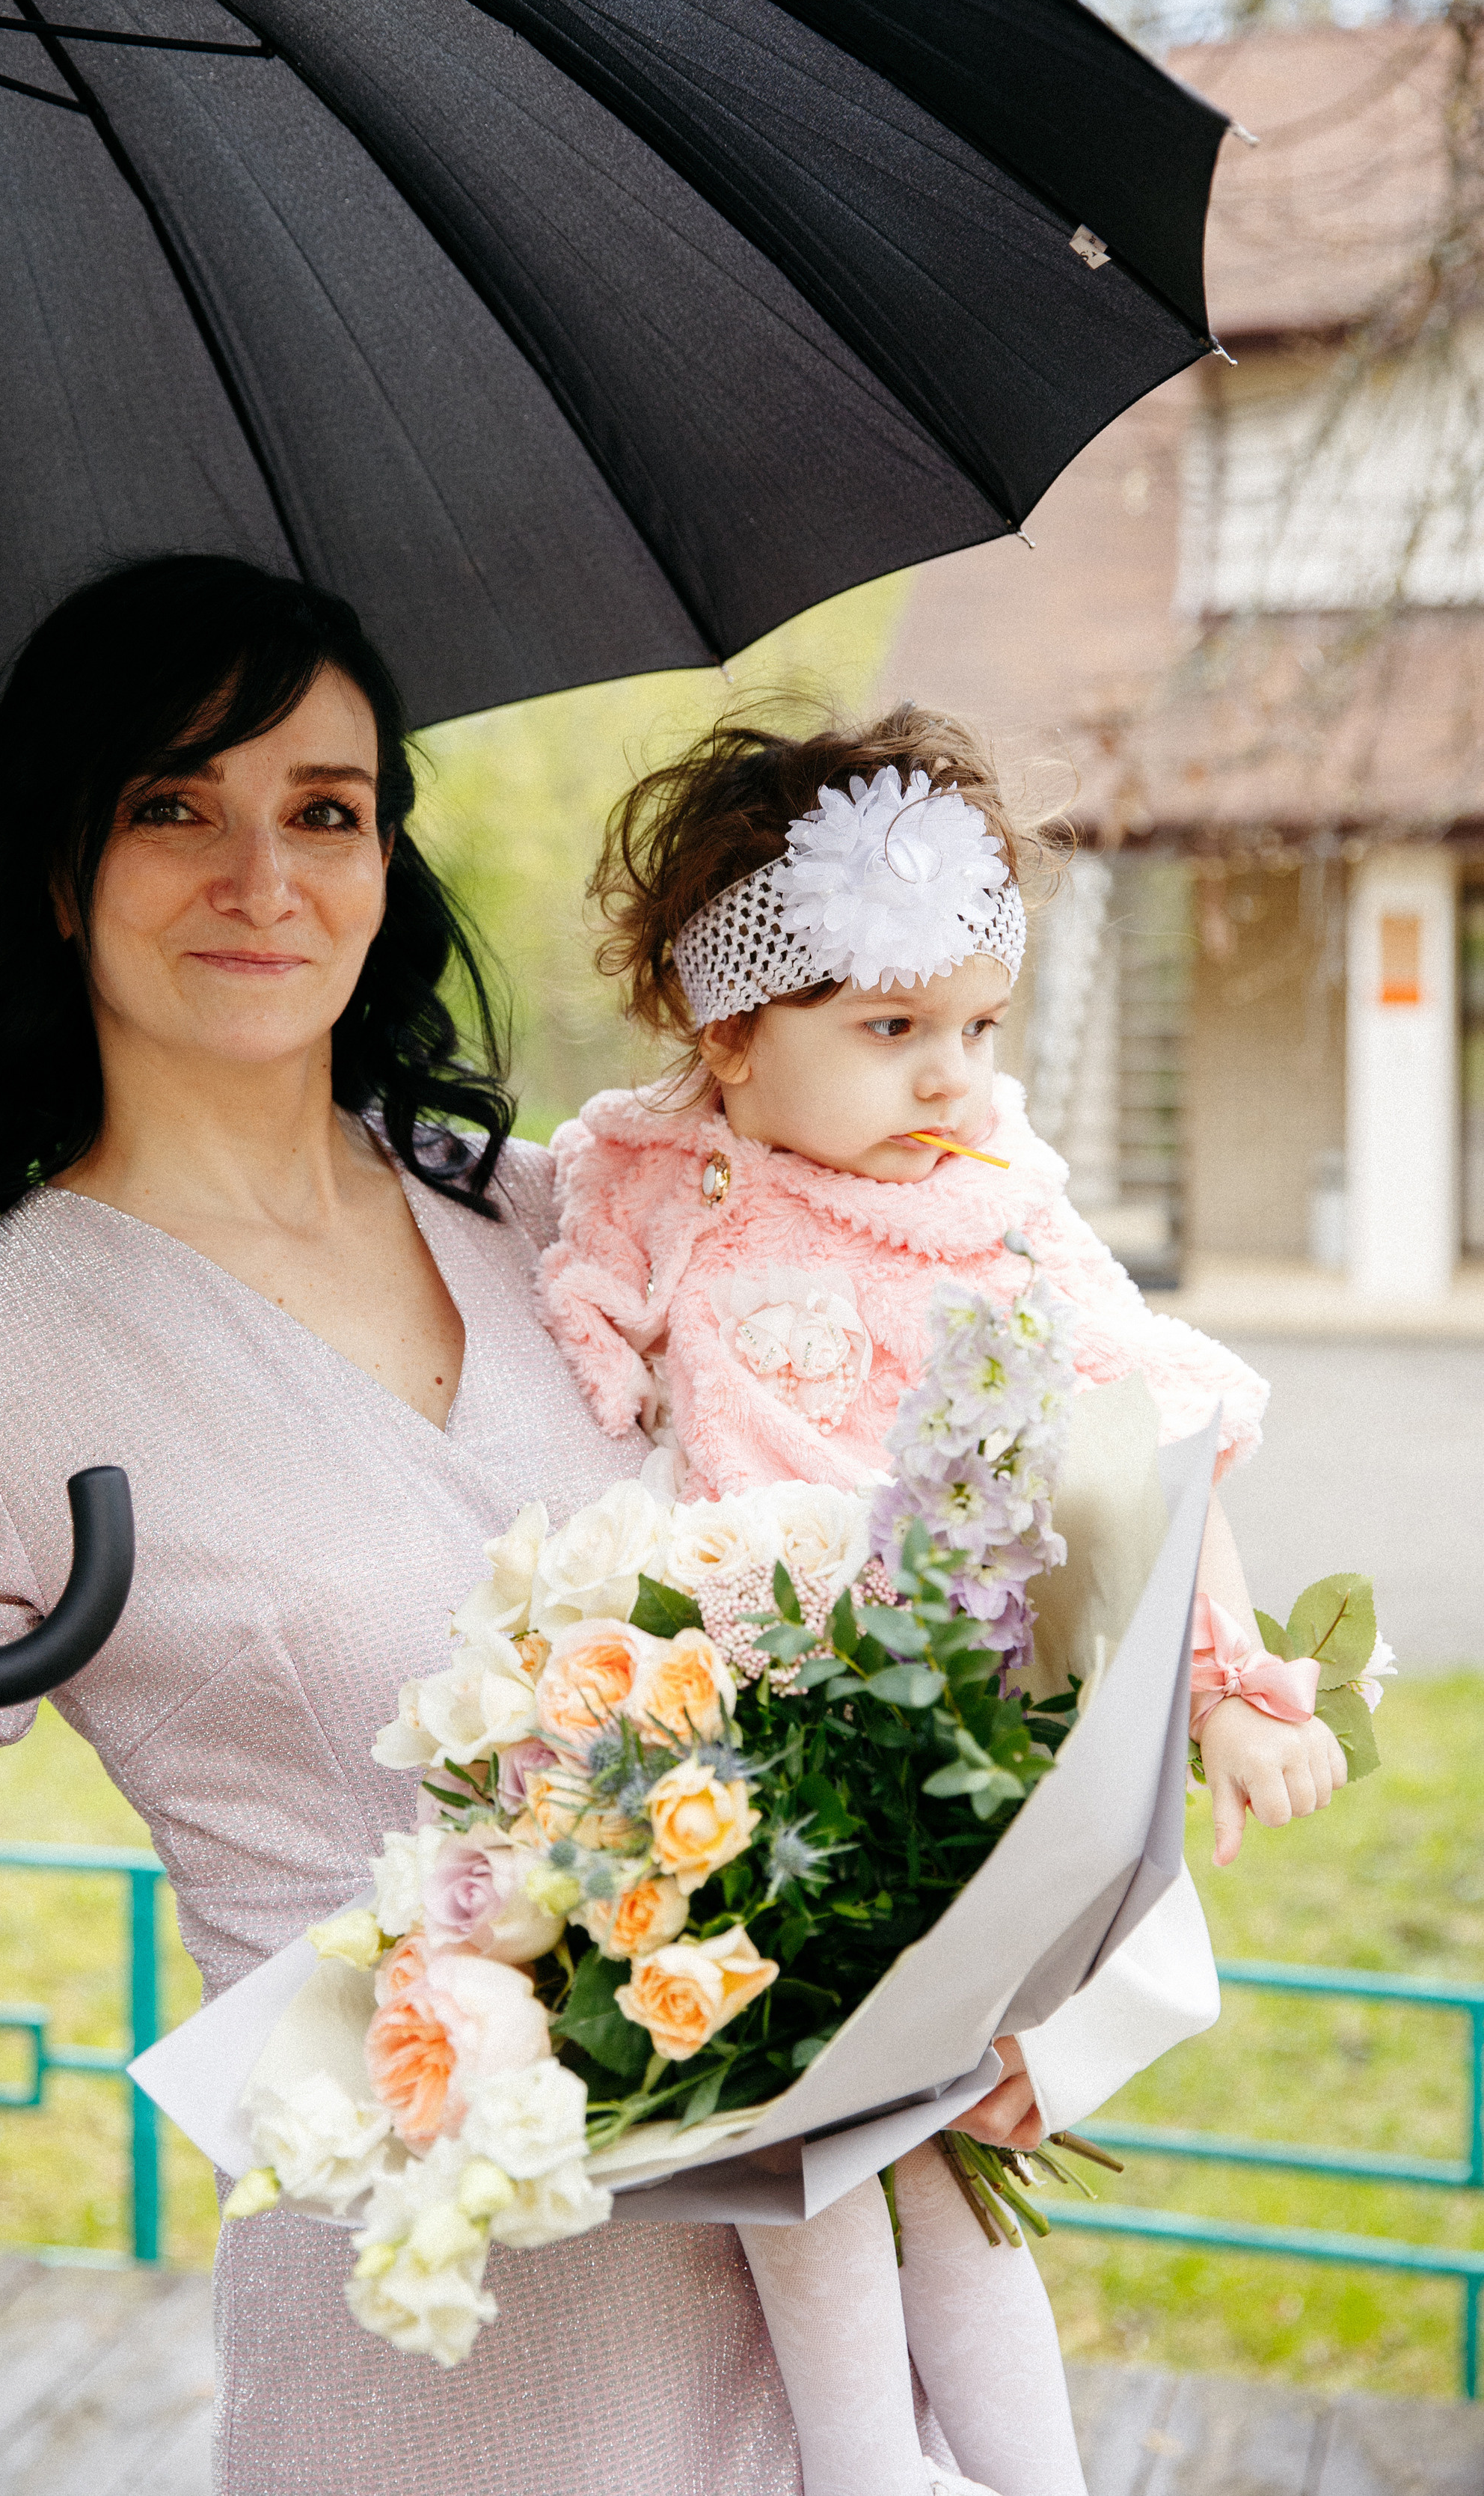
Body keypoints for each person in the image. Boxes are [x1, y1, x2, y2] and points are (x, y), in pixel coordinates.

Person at [0, 567, 1254, 2496]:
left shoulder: (582, 1221)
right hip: (450, 2380)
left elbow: (950, 1555)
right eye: (172, 804)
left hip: (837, 2344)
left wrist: (1054, 2004)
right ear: (59, 868)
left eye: (325, 808)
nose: (264, 877)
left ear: (387, 859)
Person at [538, 703, 1349, 2496]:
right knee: (797, 2168)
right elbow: (587, 1270)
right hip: (741, 1776)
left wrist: (1231, 1684)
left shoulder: (994, 1219)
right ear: (727, 1035)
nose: (950, 1080)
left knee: (946, 2157)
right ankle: (866, 2473)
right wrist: (599, 1335)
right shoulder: (649, 1163)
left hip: (943, 1746)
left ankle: (1032, 2474)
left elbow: (1152, 1436)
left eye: (978, 1026)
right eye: (891, 1029)